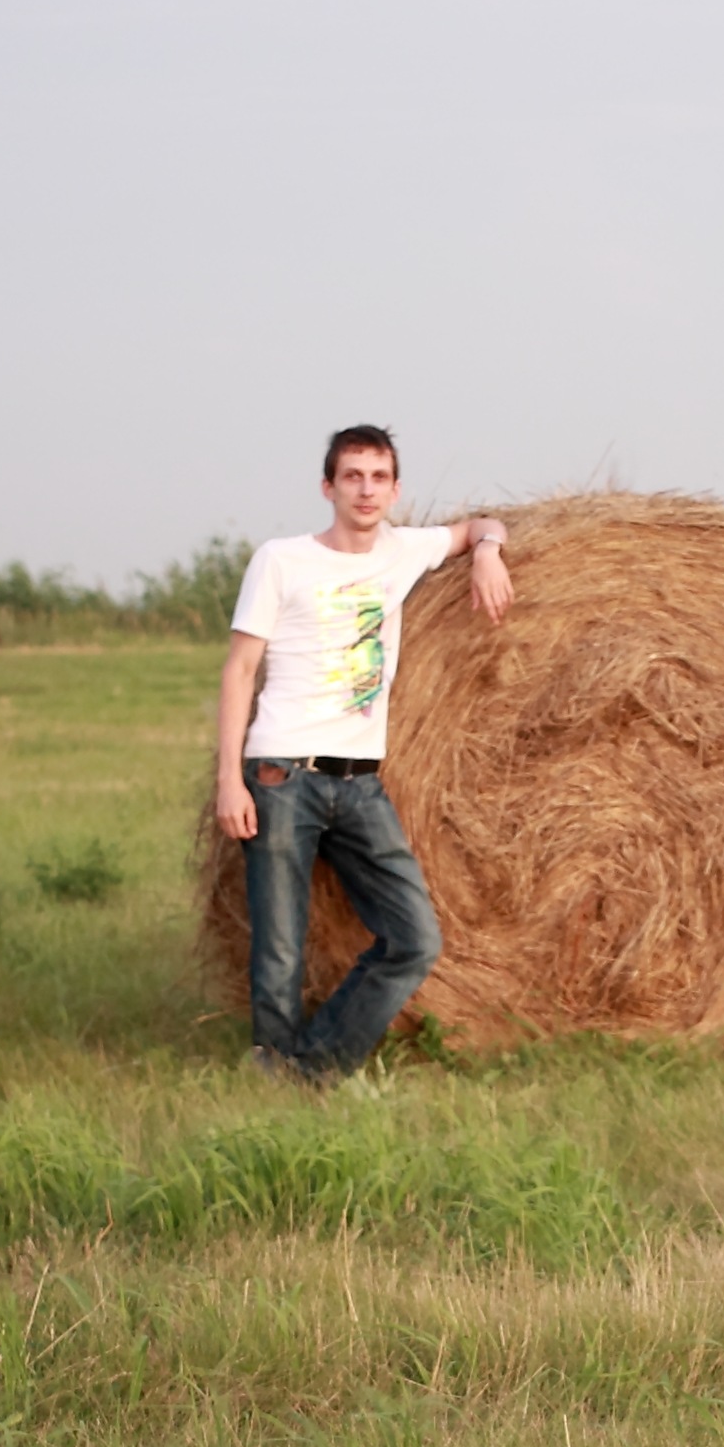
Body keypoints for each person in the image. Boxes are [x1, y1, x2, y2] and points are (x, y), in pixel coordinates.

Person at [213, 424, 513, 1078]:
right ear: (328, 487)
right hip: (281, 774)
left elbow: (482, 525)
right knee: (280, 946)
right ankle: (274, 1069)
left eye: (378, 477)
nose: (366, 489)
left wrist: (488, 552)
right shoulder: (282, 560)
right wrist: (229, 782)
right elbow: (239, 671)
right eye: (352, 476)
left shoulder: (405, 550)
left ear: (395, 489)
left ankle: (316, 1066)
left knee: (415, 938)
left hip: (360, 783)